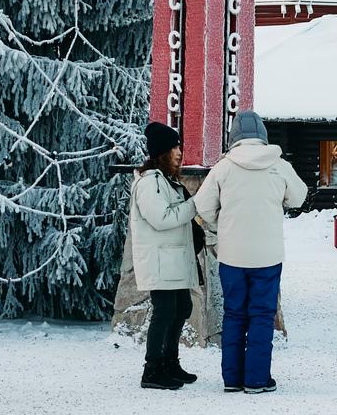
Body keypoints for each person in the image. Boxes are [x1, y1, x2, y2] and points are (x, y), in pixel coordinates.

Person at [194, 109, 310, 394]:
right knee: (261, 315)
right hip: (268, 256)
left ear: (234, 137)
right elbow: (299, 197)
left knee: (234, 314)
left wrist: (222, 225)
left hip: (232, 255)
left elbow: (203, 206)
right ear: (263, 136)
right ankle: (257, 379)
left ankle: (232, 379)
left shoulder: (223, 167)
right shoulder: (278, 165)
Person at [129, 121, 204, 390]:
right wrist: (194, 205)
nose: (179, 152)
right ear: (162, 152)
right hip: (161, 261)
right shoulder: (150, 183)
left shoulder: (166, 181)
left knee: (182, 308)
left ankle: (170, 362)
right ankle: (152, 369)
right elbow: (161, 218)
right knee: (164, 312)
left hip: (174, 260)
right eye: (174, 147)